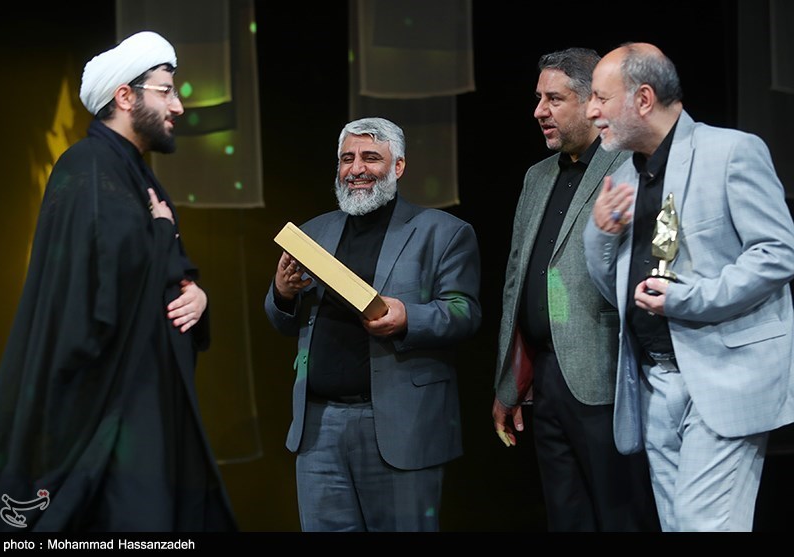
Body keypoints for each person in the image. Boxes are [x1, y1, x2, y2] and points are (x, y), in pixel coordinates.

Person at [0, 31, 237, 532]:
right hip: (103, 407)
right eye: (166, 91)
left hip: (144, 398)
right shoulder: (87, 166)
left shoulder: (133, 173)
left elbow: (162, 270)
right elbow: (102, 282)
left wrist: (197, 296)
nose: (178, 106)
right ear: (125, 96)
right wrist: (161, 233)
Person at [583, 42, 794, 531]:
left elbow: (777, 253)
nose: (591, 111)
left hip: (724, 376)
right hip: (656, 380)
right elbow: (612, 288)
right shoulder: (626, 176)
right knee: (679, 524)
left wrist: (687, 298)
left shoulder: (731, 152)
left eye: (600, 97)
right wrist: (602, 234)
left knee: (706, 523)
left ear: (643, 99)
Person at [265, 117, 482, 532]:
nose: (356, 169)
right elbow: (281, 322)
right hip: (319, 428)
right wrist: (282, 292)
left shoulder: (443, 232)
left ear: (398, 166)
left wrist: (408, 318)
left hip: (400, 425)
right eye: (347, 159)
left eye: (370, 158)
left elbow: (464, 313)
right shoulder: (313, 233)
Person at [491, 47, 658, 531]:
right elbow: (515, 281)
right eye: (538, 99)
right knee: (566, 517)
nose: (539, 111)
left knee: (621, 517)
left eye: (554, 99)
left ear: (592, 102)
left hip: (605, 377)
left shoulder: (630, 166)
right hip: (545, 379)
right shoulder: (536, 177)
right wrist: (508, 382)